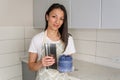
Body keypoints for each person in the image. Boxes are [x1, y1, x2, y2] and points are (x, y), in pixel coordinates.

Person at [28, 3, 76, 80]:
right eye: (54, 17)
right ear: (47, 17)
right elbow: (31, 66)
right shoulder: (37, 39)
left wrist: (67, 65)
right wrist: (41, 63)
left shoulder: (68, 39)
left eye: (61, 18)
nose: (57, 21)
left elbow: (69, 64)